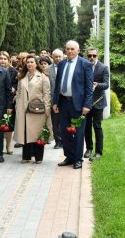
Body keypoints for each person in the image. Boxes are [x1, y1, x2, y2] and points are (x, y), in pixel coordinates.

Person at [53, 40, 93, 169]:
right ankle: (69, 157)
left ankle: (77, 159)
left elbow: (89, 88)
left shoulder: (85, 64)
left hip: (78, 105)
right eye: (68, 49)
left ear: (78, 50)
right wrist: (55, 102)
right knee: (65, 132)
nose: (69, 51)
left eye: (72, 49)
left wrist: (87, 105)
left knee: (78, 132)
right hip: (63, 102)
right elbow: (57, 85)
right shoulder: (62, 64)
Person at [14, 55, 52, 164]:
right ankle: (26, 157)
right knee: (25, 133)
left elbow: (47, 94)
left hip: (38, 110)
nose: (29, 64)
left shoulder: (43, 77)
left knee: (38, 134)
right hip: (24, 110)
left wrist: (47, 109)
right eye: (28, 62)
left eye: (32, 62)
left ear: (36, 64)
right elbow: (18, 92)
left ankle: (38, 157)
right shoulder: (22, 76)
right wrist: (18, 104)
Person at [84, 47, 109, 161]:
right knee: (87, 127)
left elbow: (106, 84)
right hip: (86, 103)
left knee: (97, 126)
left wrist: (97, 84)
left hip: (98, 102)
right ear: (86, 56)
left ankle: (99, 152)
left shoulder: (103, 68)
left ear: (97, 56)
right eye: (89, 56)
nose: (92, 58)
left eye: (94, 55)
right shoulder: (83, 66)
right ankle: (89, 148)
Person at [0, 51, 18, 155]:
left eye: (5, 59)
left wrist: (14, 88)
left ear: (8, 60)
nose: (2, 61)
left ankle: (8, 145)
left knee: (9, 125)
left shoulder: (13, 71)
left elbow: (16, 84)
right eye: (1, 58)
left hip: (9, 101)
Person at [46, 49, 64, 149]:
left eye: (59, 56)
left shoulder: (67, 67)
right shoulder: (47, 70)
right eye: (55, 56)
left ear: (63, 57)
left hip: (66, 99)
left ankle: (66, 141)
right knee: (55, 122)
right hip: (54, 100)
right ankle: (58, 142)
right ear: (52, 57)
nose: (58, 58)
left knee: (65, 122)